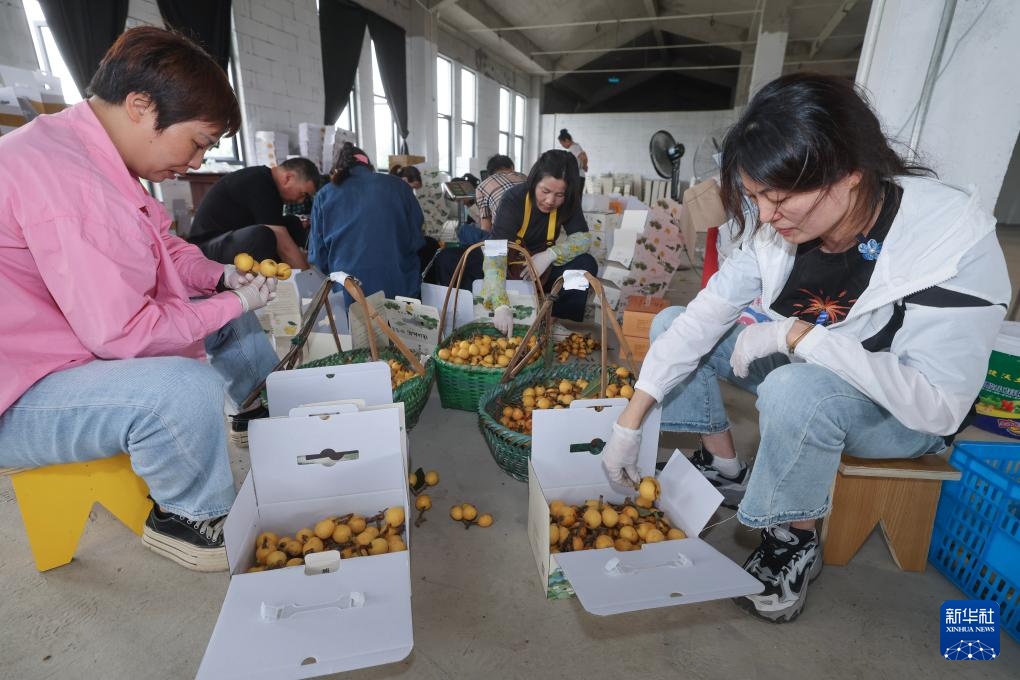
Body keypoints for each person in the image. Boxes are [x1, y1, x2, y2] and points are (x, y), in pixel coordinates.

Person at [599, 73, 1010, 623]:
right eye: (754, 197)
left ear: (850, 173)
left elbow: (936, 406)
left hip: (900, 411)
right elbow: (700, 319)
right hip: (810, 369)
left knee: (796, 389)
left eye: (779, 197)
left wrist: (798, 336)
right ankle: (726, 468)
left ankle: (796, 537)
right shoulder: (777, 228)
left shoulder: (949, 242)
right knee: (675, 321)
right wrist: (630, 421)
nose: (766, 216)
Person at [0, 27, 281, 572]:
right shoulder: (68, 184)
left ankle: (258, 411)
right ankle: (188, 518)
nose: (198, 162)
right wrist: (237, 304)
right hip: (20, 395)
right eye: (198, 141)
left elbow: (163, 246)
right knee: (182, 389)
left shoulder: (83, 150)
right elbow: (124, 333)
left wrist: (221, 279)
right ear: (139, 105)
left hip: (61, 349)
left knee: (222, 316)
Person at [437, 150, 596, 333]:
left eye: (559, 195)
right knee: (449, 259)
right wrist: (500, 304)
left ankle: (550, 320)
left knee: (586, 265)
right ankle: (473, 320)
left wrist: (550, 255)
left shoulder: (569, 201)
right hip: (507, 263)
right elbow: (495, 251)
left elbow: (583, 238)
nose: (550, 200)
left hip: (539, 270)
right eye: (545, 191)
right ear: (534, 181)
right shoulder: (514, 198)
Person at [309, 143, 425, 304]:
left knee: (357, 328)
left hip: (349, 292)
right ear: (369, 165)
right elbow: (416, 240)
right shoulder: (399, 187)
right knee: (396, 328)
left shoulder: (324, 195)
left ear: (337, 168)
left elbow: (319, 257)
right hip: (398, 287)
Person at [188, 156, 321, 270]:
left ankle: (289, 273)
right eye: (303, 194)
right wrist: (306, 278)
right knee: (264, 235)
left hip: (227, 240)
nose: (301, 201)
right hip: (204, 250)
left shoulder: (267, 182)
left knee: (292, 223)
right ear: (288, 178)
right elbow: (283, 244)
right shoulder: (260, 182)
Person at [476, 154, 527, 233]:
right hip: (534, 232)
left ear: (489, 173)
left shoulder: (482, 187)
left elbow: (486, 228)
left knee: (464, 231)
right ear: (512, 167)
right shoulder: (524, 177)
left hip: (506, 237)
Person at [557, 128, 588, 193]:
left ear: (567, 140)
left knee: (574, 198)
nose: (562, 146)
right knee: (577, 198)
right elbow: (585, 155)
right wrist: (585, 166)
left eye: (562, 144)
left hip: (577, 176)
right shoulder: (576, 145)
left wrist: (584, 166)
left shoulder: (573, 148)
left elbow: (584, 158)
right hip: (580, 175)